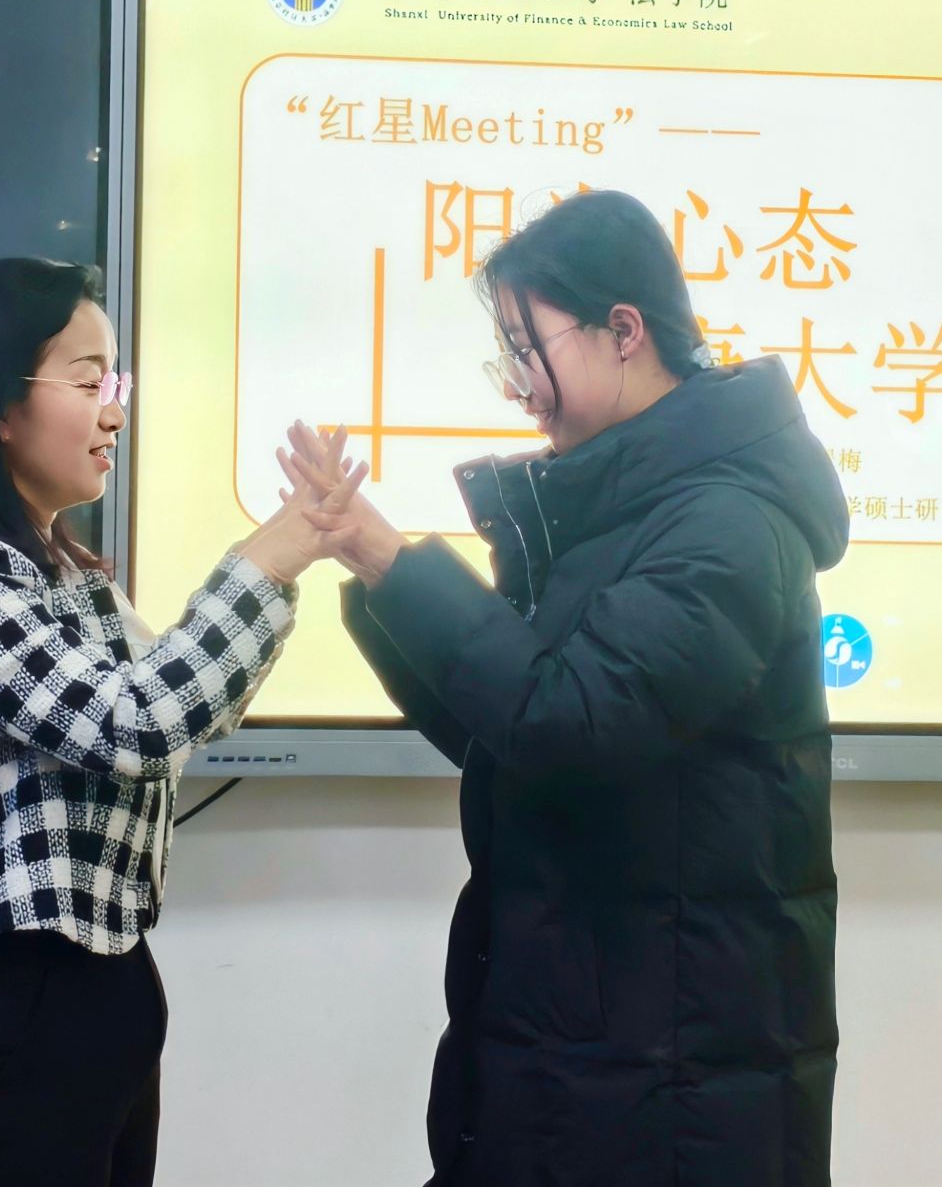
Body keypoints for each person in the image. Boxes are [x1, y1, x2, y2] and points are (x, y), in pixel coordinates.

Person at [286, 190, 851, 1187]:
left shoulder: (725, 523)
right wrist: (381, 586)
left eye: (527, 348)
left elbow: (571, 721)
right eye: (504, 354)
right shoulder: (626, 508)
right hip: (599, 1038)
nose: (518, 387)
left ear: (622, 331)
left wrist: (392, 561)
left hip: (669, 1069)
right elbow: (509, 734)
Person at [0, 256, 321, 1187]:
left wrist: (283, 564)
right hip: (7, 1018)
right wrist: (268, 557)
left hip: (100, 999)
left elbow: (192, 710)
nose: (115, 413)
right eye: (88, 382)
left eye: (119, 384)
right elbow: (134, 725)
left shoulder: (65, 573)